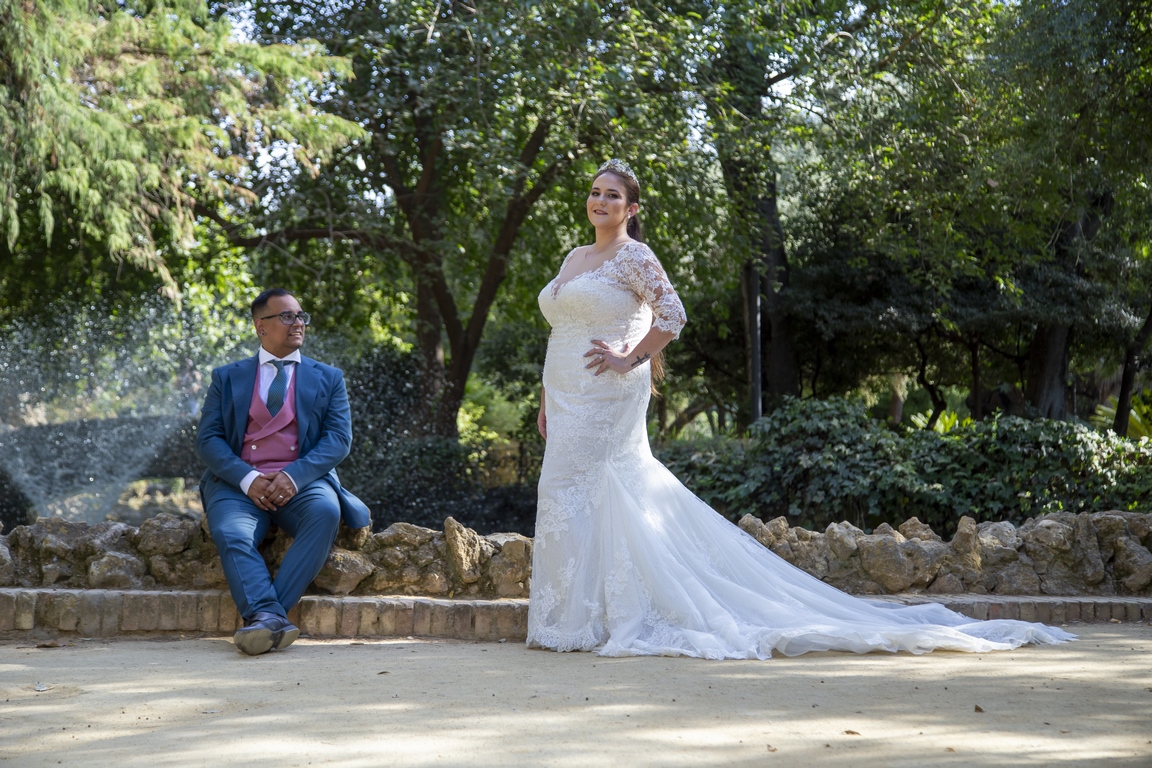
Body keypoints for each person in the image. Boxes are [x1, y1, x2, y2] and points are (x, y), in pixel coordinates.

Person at [528, 159, 1074, 658]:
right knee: (565, 493)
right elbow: (562, 329)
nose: (600, 201)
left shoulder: (635, 256)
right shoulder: (575, 257)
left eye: (613, 195)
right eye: (595, 193)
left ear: (631, 209)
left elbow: (673, 314)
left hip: (607, 394)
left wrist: (630, 358)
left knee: (589, 488)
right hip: (567, 394)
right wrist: (548, 395)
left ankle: (592, 620)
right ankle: (573, 619)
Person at [196, 289, 370, 655]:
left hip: (304, 482)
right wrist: (247, 479)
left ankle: (264, 617)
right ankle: (271, 616)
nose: (298, 323)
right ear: (261, 326)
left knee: (325, 513)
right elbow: (208, 440)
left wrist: (293, 477)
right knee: (230, 532)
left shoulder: (329, 378)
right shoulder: (226, 377)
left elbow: (338, 440)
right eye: (287, 317)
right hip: (238, 484)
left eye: (301, 316)